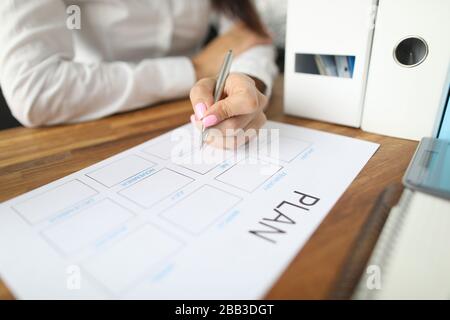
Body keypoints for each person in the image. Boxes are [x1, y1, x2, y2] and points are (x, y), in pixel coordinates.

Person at [0, 0, 278, 147]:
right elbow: (34, 89)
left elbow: (246, 34)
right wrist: (193, 69)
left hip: (189, 109)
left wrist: (247, 83)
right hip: (94, 121)